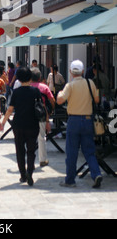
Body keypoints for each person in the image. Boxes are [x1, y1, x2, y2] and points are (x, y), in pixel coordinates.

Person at [57, 60, 102, 189]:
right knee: (89, 151)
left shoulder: (69, 86)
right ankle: (96, 173)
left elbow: (60, 100)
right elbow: (97, 99)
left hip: (74, 120)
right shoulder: (90, 83)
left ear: (71, 72)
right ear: (82, 71)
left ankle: (70, 180)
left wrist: (59, 93)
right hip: (88, 120)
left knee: (72, 152)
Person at [0, 67, 41, 186]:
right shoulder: (35, 91)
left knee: (20, 150)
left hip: (18, 125)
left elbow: (10, 109)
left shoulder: (16, 92)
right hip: (33, 124)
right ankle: (30, 172)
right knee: (31, 150)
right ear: (30, 77)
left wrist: (3, 122)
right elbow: (40, 107)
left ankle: (23, 175)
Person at [31, 68, 55, 167]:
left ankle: (30, 159)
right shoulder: (44, 87)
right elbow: (52, 100)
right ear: (40, 77)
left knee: (30, 138)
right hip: (41, 114)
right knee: (41, 137)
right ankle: (42, 159)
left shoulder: (27, 87)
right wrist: (51, 110)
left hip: (29, 115)